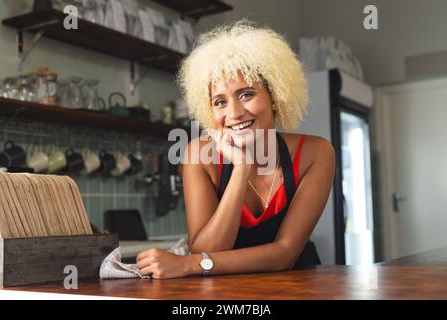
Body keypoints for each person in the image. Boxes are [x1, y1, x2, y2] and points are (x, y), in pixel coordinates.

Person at [136, 20, 335, 279]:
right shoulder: (198, 156)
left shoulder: (316, 153)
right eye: (220, 102)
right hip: (223, 293)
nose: (234, 113)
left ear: (275, 97)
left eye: (246, 95)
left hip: (298, 287)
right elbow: (207, 249)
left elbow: (284, 255)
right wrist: (241, 169)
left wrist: (188, 265)